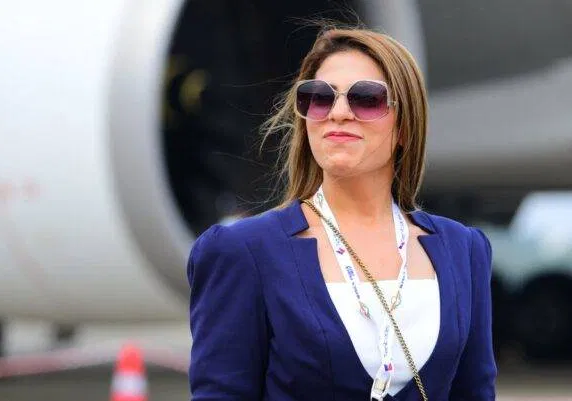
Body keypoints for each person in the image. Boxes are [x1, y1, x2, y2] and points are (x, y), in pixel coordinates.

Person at [186, 24, 497, 401]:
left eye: (366, 98)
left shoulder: (462, 251)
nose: (338, 113)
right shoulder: (243, 252)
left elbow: (475, 392)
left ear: (405, 127)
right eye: (318, 97)